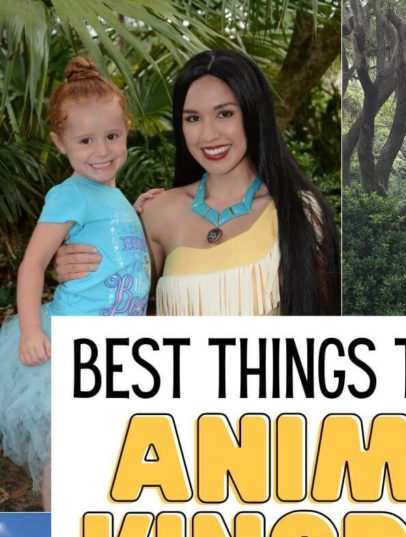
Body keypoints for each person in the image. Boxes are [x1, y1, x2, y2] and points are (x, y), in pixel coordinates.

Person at [56, 50, 339, 316]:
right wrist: (77, 263)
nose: (208, 134)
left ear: (253, 113)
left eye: (224, 114)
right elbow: (114, 307)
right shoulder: (157, 212)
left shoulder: (298, 211)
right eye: (193, 118)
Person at [0, 56, 150, 509]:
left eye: (112, 136)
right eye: (85, 140)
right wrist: (30, 331)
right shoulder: (68, 194)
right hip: (73, 343)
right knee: (65, 454)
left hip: (113, 350)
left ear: (126, 130)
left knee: (101, 453)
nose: (101, 150)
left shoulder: (111, 192)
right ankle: (56, 535)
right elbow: (32, 265)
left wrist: (137, 211)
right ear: (59, 143)